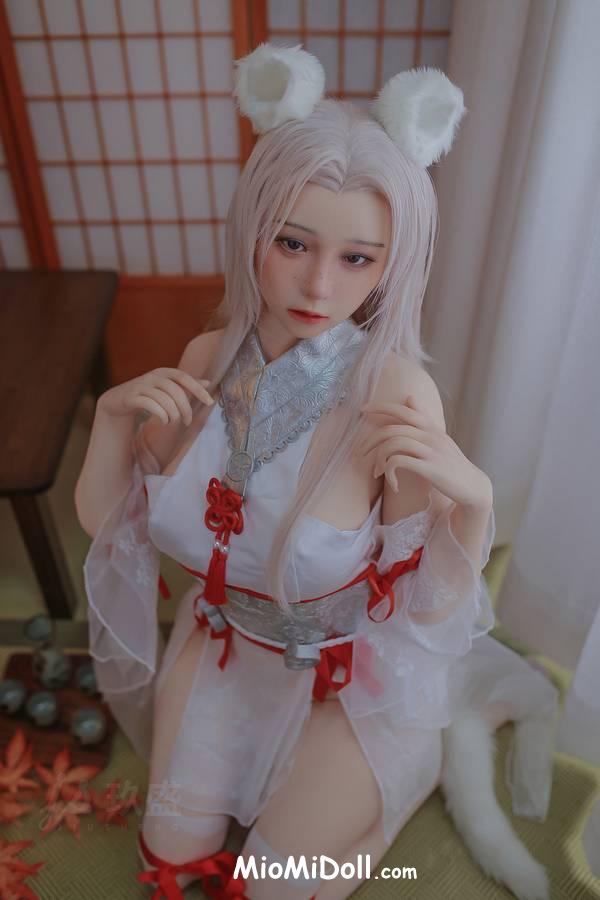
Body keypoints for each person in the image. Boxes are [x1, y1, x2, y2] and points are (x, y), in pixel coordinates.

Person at [76, 43, 559, 900]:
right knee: (171, 860)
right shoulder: (207, 357)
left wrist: (474, 507)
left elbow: (427, 609)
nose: (317, 285)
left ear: (394, 262)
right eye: (292, 242)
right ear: (253, 230)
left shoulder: (394, 394)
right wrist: (113, 419)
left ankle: (404, 777)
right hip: (223, 650)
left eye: (358, 258)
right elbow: (111, 527)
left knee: (276, 886)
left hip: (346, 680)